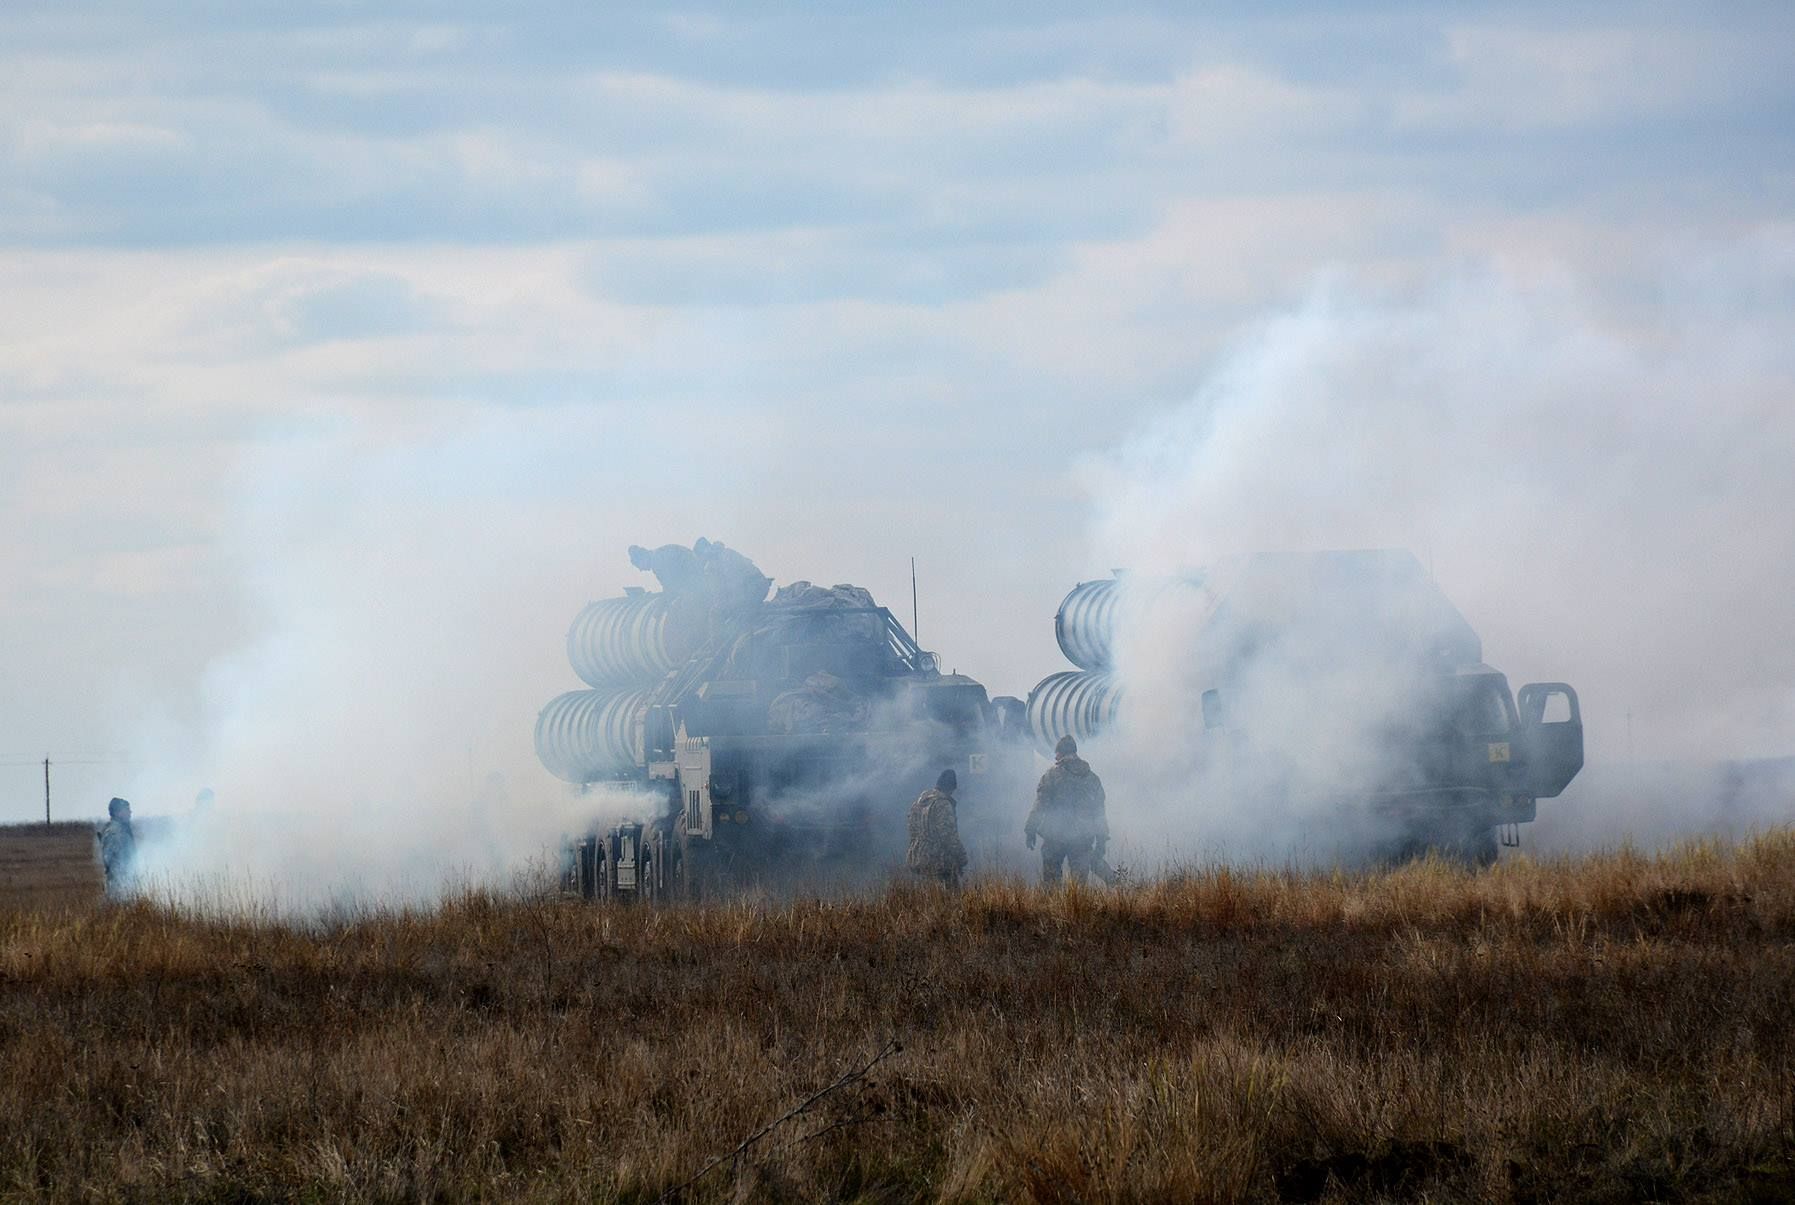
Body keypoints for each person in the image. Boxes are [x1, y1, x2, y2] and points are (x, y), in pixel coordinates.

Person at [1025, 735, 1113, 885]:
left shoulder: (1051, 775)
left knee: (1051, 884)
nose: (1055, 757)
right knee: (1079, 887)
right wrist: (1101, 839)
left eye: (1056, 753)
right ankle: (1115, 883)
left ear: (1061, 753)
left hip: (1055, 836)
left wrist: (1030, 829)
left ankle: (1053, 907)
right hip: (1082, 837)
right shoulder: (1092, 778)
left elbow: (1040, 805)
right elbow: (1099, 813)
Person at [907, 769, 968, 889]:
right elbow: (948, 835)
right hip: (940, 862)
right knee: (951, 899)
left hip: (919, 859)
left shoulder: (918, 804)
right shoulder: (942, 804)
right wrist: (962, 856)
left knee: (928, 900)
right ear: (951, 787)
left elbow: (912, 832)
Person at [96, 796, 137, 898]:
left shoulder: (122, 830)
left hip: (125, 883)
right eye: (126, 810)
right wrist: (123, 880)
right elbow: (111, 860)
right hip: (119, 886)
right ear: (118, 813)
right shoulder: (114, 833)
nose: (130, 813)